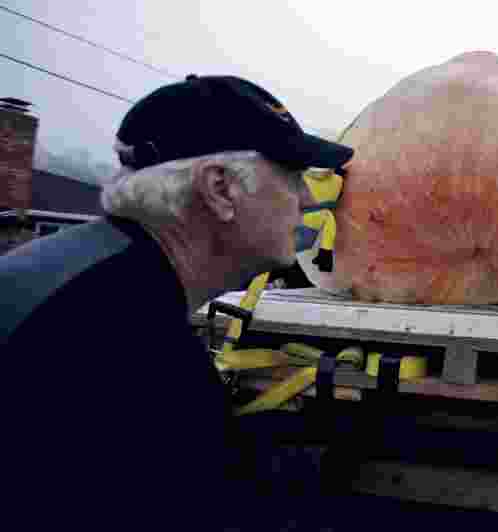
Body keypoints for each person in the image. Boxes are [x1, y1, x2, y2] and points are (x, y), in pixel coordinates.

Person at [0, 74, 353, 525]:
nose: (306, 198)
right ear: (220, 188)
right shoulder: (129, 346)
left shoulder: (101, 282)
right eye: (291, 173)